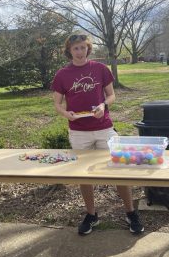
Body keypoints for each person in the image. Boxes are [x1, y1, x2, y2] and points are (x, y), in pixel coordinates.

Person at [52, 33, 144, 235]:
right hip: (78, 132)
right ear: (69, 50)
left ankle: (130, 212)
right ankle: (91, 214)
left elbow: (111, 95)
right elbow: (57, 104)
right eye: (75, 48)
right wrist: (66, 113)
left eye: (83, 47)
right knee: (84, 175)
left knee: (118, 169)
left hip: (104, 128)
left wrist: (103, 104)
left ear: (88, 48)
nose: (79, 51)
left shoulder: (100, 69)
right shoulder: (62, 74)